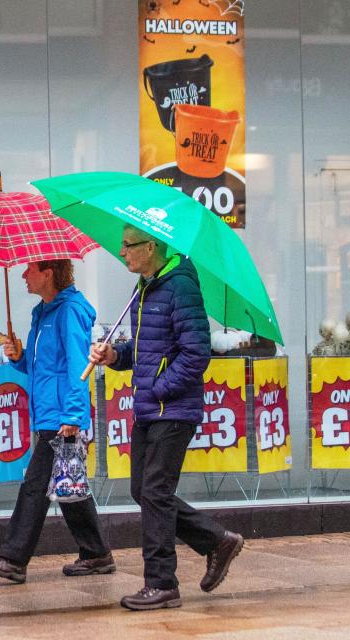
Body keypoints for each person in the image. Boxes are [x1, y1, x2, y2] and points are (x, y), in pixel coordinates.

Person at [89, 226, 243, 611]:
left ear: (152, 246)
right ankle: (216, 540)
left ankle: (161, 583)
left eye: (129, 245)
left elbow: (196, 353)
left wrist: (158, 388)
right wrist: (116, 357)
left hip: (172, 409)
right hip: (148, 408)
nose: (122, 251)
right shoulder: (145, 288)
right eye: (121, 243)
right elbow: (145, 351)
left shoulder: (180, 286)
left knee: (155, 492)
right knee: (142, 490)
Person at [0, 259, 114, 584]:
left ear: (48, 273)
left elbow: (77, 366)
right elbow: (43, 368)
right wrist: (19, 358)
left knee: (36, 485)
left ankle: (12, 558)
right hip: (49, 413)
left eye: (30, 269)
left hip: (61, 415)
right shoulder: (43, 313)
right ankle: (96, 554)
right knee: (67, 486)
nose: (24, 275)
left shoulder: (69, 312)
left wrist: (73, 414)